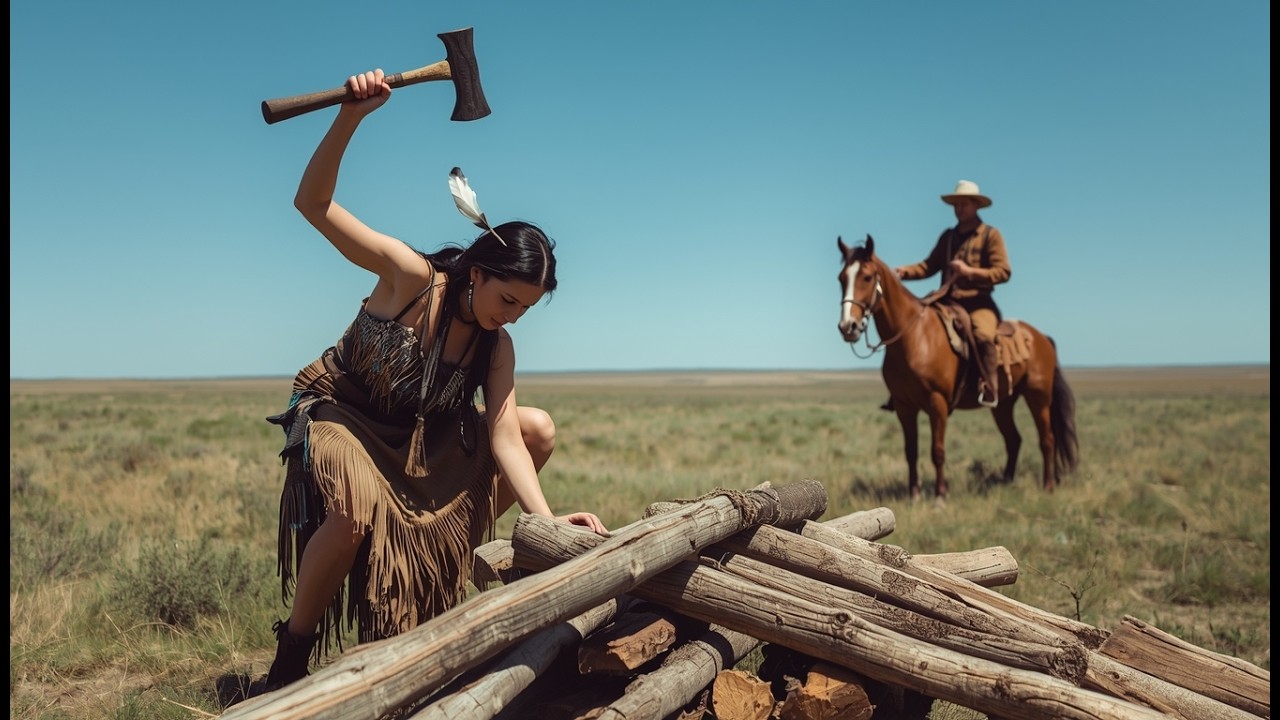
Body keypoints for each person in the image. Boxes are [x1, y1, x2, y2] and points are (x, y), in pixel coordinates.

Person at [237, 69, 609, 702]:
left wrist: (546, 527)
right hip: (344, 414)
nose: (510, 314)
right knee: (351, 512)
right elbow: (313, 205)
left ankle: (439, 570)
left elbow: (508, 441)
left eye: (524, 307)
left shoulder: (497, 345)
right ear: (479, 272)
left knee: (536, 427)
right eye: (507, 298)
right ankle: (289, 662)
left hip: (417, 438)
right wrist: (351, 115)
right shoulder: (410, 278)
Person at [890, 179, 1011, 408]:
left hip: (978, 302)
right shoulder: (948, 236)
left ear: (976, 205)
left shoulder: (990, 236)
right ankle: (902, 388)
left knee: (982, 335)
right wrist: (905, 272)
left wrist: (970, 272)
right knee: (914, 326)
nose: (959, 209)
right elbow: (929, 266)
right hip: (946, 301)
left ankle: (989, 386)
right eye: (956, 205)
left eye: (964, 204)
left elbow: (1003, 272)